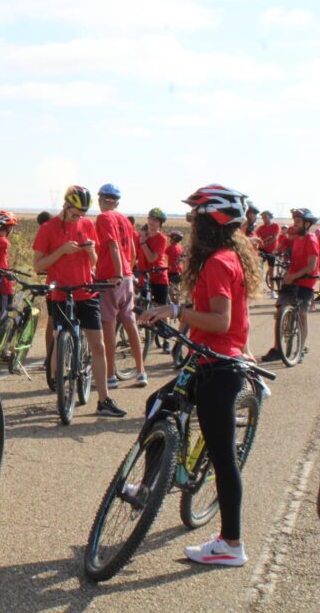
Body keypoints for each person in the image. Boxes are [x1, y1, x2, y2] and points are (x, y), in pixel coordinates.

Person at [139, 184, 260, 567]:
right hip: (211, 360)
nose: (191, 222)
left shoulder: (219, 262)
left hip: (218, 368)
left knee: (224, 459)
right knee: (158, 403)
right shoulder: (225, 257)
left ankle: (230, 543)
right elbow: (232, 315)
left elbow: (221, 319)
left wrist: (175, 311)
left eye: (196, 216)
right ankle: (148, 486)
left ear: (213, 220)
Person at [34, 185, 126, 417]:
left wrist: (91, 251)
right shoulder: (48, 228)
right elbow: (38, 265)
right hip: (61, 293)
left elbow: (94, 261)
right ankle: (59, 386)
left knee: (98, 345)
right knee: (59, 338)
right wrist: (62, 251)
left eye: (82, 214)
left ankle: (104, 399)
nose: (79, 218)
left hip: (86, 291)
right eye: (75, 213)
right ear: (65, 206)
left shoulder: (86, 225)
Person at [93, 183, 146, 390]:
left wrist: (116, 272)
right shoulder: (124, 219)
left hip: (111, 277)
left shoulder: (104, 218)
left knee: (109, 326)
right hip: (127, 276)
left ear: (101, 200)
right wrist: (127, 270)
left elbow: (113, 245)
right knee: (130, 324)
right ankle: (141, 371)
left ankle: (110, 375)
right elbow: (131, 249)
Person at [260, 209, 320, 363]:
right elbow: (284, 246)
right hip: (291, 278)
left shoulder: (311, 239)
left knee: (302, 315)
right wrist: (275, 254)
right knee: (281, 309)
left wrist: (293, 275)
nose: (295, 224)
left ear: (307, 224)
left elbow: (311, 265)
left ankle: (301, 349)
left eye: (298, 221)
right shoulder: (297, 238)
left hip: (306, 280)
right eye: (295, 221)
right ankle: (277, 349)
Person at [139, 207, 170, 307]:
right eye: (150, 218)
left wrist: (143, 243)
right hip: (144, 277)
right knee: (141, 308)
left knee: (160, 309)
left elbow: (152, 258)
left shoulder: (162, 239)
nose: (152, 221)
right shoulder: (141, 236)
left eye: (156, 220)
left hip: (158, 277)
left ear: (160, 223)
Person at [255, 211, 281, 299]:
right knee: (258, 267)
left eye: (265, 217)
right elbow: (258, 238)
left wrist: (265, 242)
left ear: (270, 217)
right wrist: (263, 241)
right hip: (262, 250)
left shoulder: (275, 226)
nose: (264, 219)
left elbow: (275, 238)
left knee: (271, 271)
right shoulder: (260, 228)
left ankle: (272, 291)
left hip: (272, 251)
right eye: (263, 218)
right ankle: (256, 288)